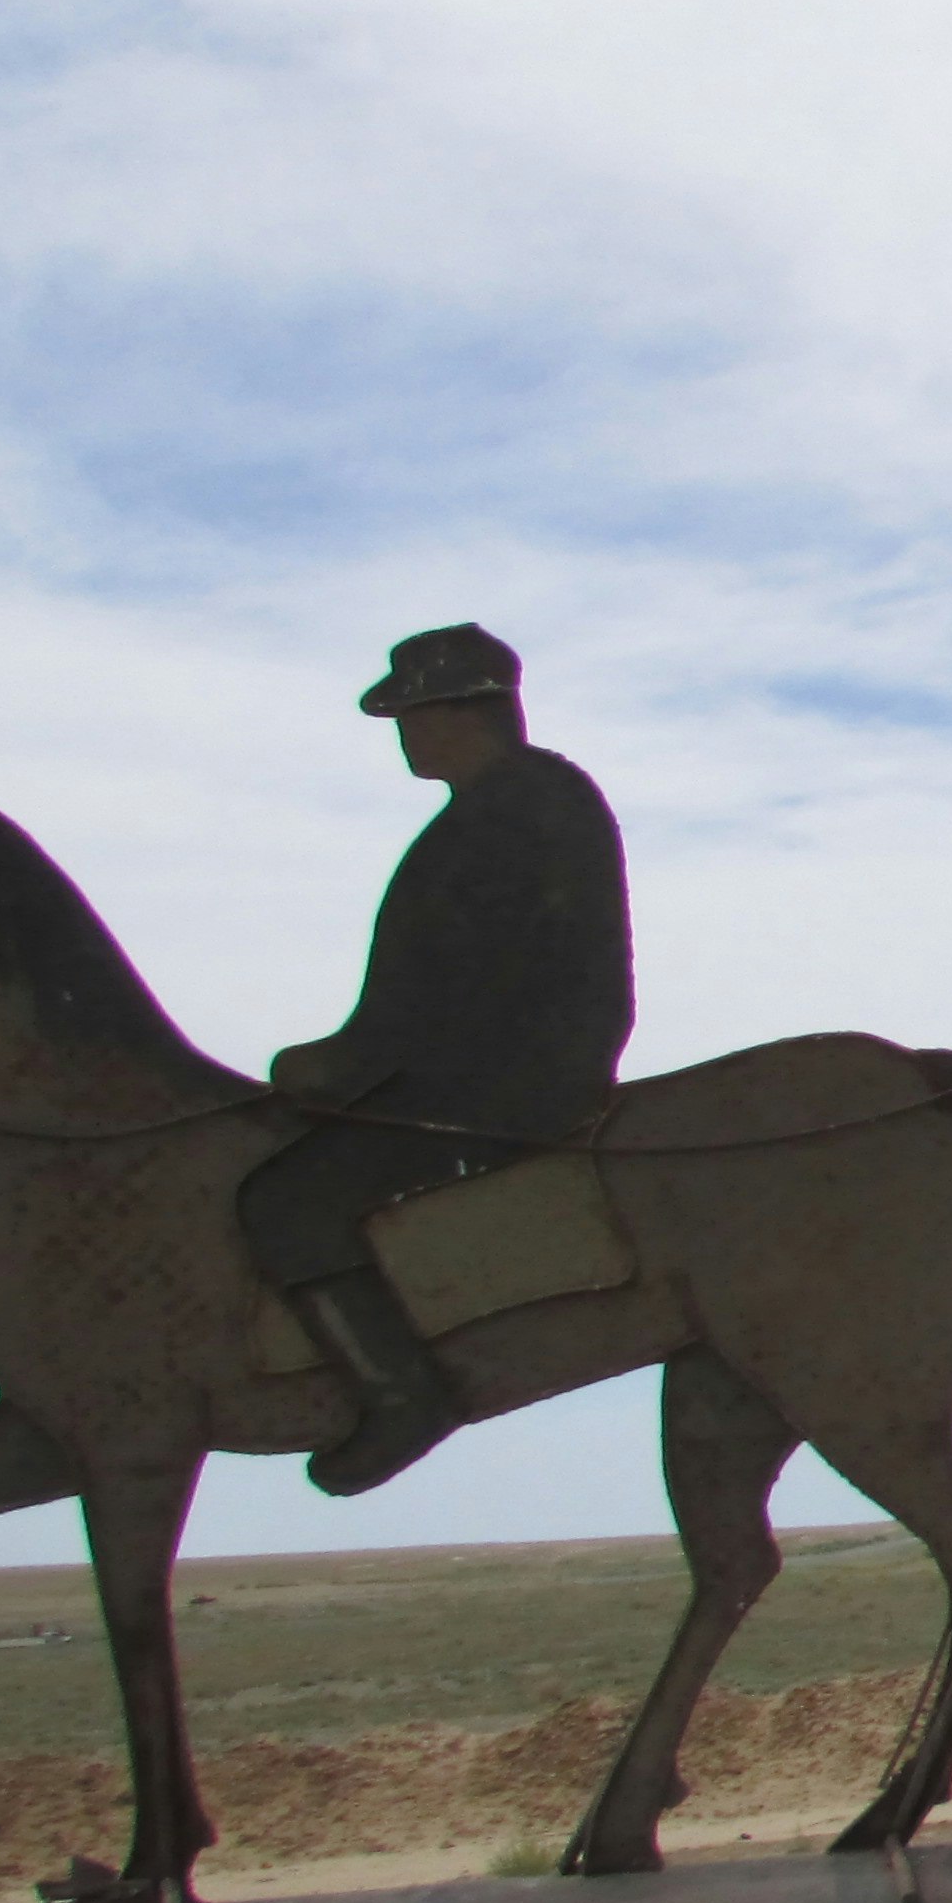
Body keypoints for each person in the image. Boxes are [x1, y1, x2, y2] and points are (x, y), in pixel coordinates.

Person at [240, 623, 632, 1496]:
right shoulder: (503, 807)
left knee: (284, 1201)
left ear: (472, 711)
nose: (406, 734)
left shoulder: (512, 809)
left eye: (417, 714)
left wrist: (336, 1069)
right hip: (480, 1071)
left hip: (501, 1086)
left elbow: (442, 999)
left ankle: (401, 1396)